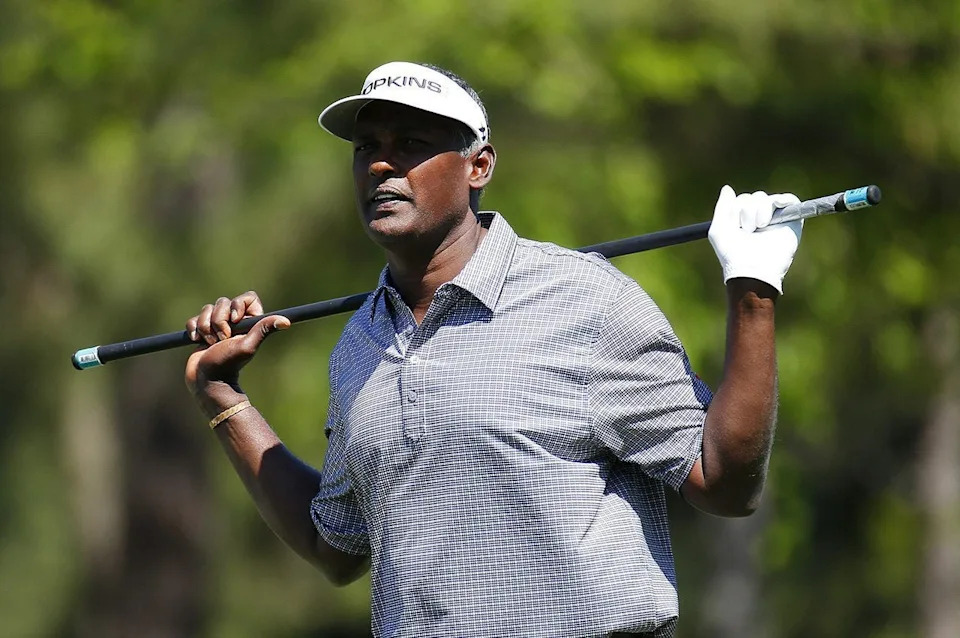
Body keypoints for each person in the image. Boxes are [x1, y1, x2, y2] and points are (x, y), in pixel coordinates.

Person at [183, 61, 803, 638]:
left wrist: (753, 293)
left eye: (412, 145)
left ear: (478, 166)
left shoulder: (584, 301)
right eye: (367, 148)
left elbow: (724, 484)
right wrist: (223, 398)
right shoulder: (360, 344)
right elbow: (337, 548)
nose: (380, 165)